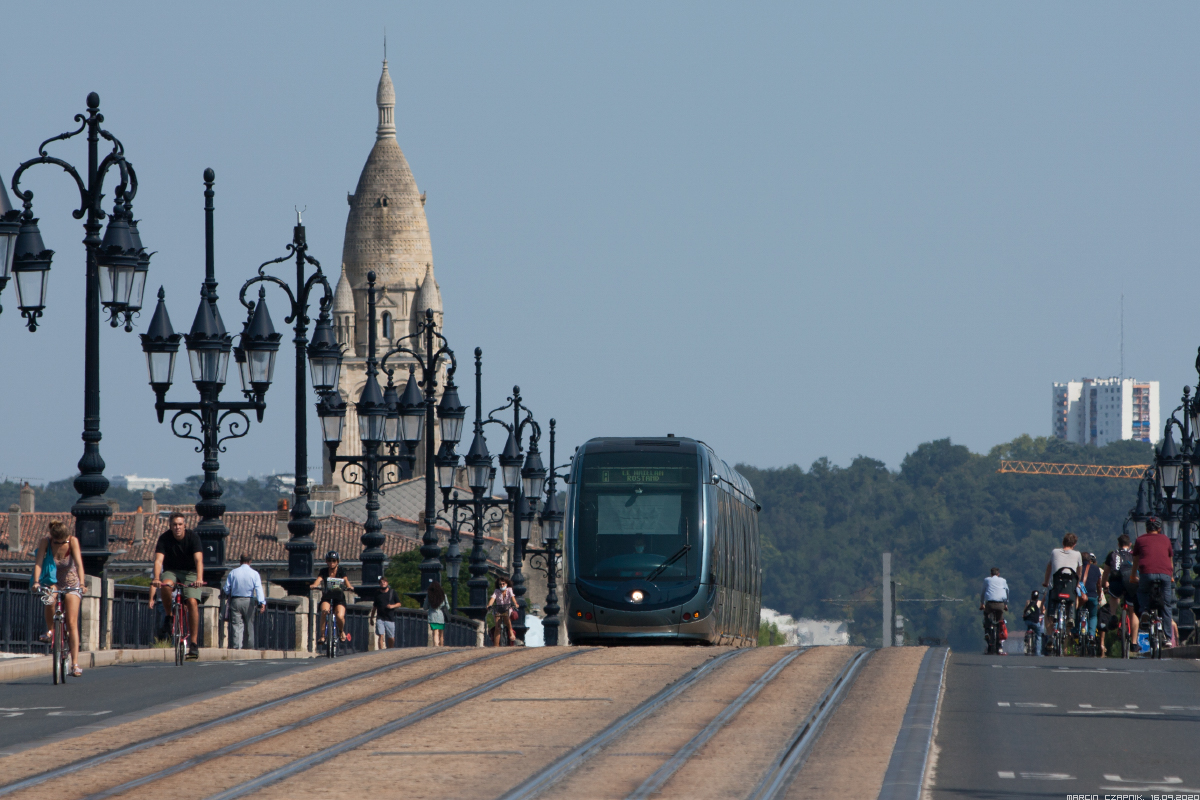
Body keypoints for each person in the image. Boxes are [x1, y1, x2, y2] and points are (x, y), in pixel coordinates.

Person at [31, 520, 87, 677]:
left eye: (63, 541)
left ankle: (75, 663)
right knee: (49, 598)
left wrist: (82, 584)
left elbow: (79, 564)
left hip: (70, 581)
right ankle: (50, 630)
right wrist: (36, 582)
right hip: (53, 580)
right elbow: (39, 563)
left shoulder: (73, 542)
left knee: (71, 623)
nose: (60, 543)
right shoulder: (46, 542)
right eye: (58, 541)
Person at [151, 512, 204, 660]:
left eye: (180, 524)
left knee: (192, 602)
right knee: (166, 585)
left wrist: (199, 578)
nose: (177, 527)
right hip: (171, 571)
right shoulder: (164, 538)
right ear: (170, 526)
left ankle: (193, 644)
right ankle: (169, 616)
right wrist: (156, 578)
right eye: (174, 525)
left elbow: (199, 560)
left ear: (185, 525)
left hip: (190, 573)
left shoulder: (193, 538)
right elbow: (158, 561)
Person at [1131, 517, 1179, 647]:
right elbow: (1170, 559)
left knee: (1142, 592)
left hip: (1146, 573)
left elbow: (1136, 560)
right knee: (1167, 605)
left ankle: (1145, 610)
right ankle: (1168, 638)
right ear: (1159, 529)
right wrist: (1171, 575)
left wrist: (1133, 575)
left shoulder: (1140, 540)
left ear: (1146, 528)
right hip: (1165, 574)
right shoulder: (1166, 539)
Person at [1042, 532, 1082, 640]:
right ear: (1074, 545)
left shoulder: (1054, 552)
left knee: (1049, 611)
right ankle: (1071, 617)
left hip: (1056, 588)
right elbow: (1079, 572)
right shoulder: (1078, 554)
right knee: (1073, 597)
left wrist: (1046, 582)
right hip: (1070, 588)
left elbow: (1049, 568)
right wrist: (1077, 583)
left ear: (1062, 542)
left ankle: (1050, 636)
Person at [222, 554, 265, 651]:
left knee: (236, 625)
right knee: (249, 624)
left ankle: (237, 647)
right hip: (249, 601)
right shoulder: (254, 574)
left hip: (235, 600)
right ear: (250, 561)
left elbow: (226, 589)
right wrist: (262, 602)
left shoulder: (233, 572)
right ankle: (249, 647)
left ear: (240, 561)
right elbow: (258, 589)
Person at [310, 551, 354, 645]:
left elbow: (346, 580)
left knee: (340, 616)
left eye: (334, 560)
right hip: (327, 596)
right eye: (329, 560)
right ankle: (322, 636)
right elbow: (319, 579)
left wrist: (349, 587)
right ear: (326, 561)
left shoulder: (341, 570)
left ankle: (341, 631)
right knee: (324, 612)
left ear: (337, 561)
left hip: (339, 598)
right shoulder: (324, 571)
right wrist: (314, 585)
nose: (332, 563)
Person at [979, 567, 1009, 652]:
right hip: (1000, 604)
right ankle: (999, 644)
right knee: (1000, 621)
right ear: (998, 574)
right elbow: (1007, 591)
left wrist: (982, 604)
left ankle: (987, 632)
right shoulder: (1003, 580)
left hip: (990, 604)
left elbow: (983, 592)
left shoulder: (987, 580)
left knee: (986, 617)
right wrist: (1006, 604)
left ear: (991, 574)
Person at [487, 575, 517, 646]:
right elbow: (492, 599)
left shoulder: (509, 590)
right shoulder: (496, 591)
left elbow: (513, 598)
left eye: (503, 584)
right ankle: (496, 645)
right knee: (497, 627)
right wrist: (489, 605)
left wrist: (515, 603)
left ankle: (510, 631)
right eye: (500, 584)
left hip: (507, 608)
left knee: (506, 616)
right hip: (498, 609)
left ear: (506, 584)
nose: (502, 585)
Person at [1079, 552, 1101, 649]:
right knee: (1093, 616)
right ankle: (1092, 635)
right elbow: (1099, 585)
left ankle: (1076, 631)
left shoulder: (1077, 568)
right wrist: (1099, 595)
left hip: (1081, 596)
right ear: (1090, 560)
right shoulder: (1096, 569)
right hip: (1092, 595)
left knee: (1077, 612)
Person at [374, 576, 402, 649]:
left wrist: (392, 606)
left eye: (384, 582)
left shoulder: (392, 592)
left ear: (387, 583)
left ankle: (391, 649)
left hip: (389, 617)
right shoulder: (377, 594)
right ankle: (380, 650)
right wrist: (371, 618)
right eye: (381, 582)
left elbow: (399, 603)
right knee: (381, 634)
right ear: (379, 584)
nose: (383, 583)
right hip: (380, 617)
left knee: (391, 637)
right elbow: (374, 607)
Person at [423, 581, 450, 647]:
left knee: (435, 633)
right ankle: (441, 646)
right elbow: (448, 607)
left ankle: (436, 646)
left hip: (432, 615)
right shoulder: (443, 595)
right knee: (441, 633)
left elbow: (425, 607)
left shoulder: (429, 596)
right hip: (441, 615)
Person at [1021, 590, 1044, 657]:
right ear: (1038, 596)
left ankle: (1027, 640)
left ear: (1031, 595)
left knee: (1029, 627)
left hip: (1027, 621)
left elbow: (1024, 611)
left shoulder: (1028, 602)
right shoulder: (1039, 602)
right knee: (1038, 636)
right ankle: (1038, 652)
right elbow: (1043, 610)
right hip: (1035, 622)